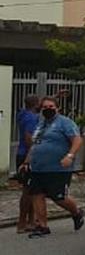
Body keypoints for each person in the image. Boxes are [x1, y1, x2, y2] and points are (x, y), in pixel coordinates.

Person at [19, 96, 85, 238]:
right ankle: (42, 226)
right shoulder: (40, 125)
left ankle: (76, 212)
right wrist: (26, 162)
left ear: (57, 108)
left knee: (58, 197)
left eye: (51, 107)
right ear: (40, 110)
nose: (48, 110)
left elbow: (77, 140)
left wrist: (70, 156)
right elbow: (34, 145)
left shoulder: (65, 123)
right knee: (37, 195)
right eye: (45, 108)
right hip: (38, 168)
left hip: (58, 168)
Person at [15, 95, 40, 233]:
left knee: (31, 189)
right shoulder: (31, 118)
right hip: (27, 155)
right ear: (36, 105)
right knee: (27, 190)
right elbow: (28, 138)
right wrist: (32, 155)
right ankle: (22, 222)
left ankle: (31, 221)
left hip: (21, 153)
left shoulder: (22, 114)